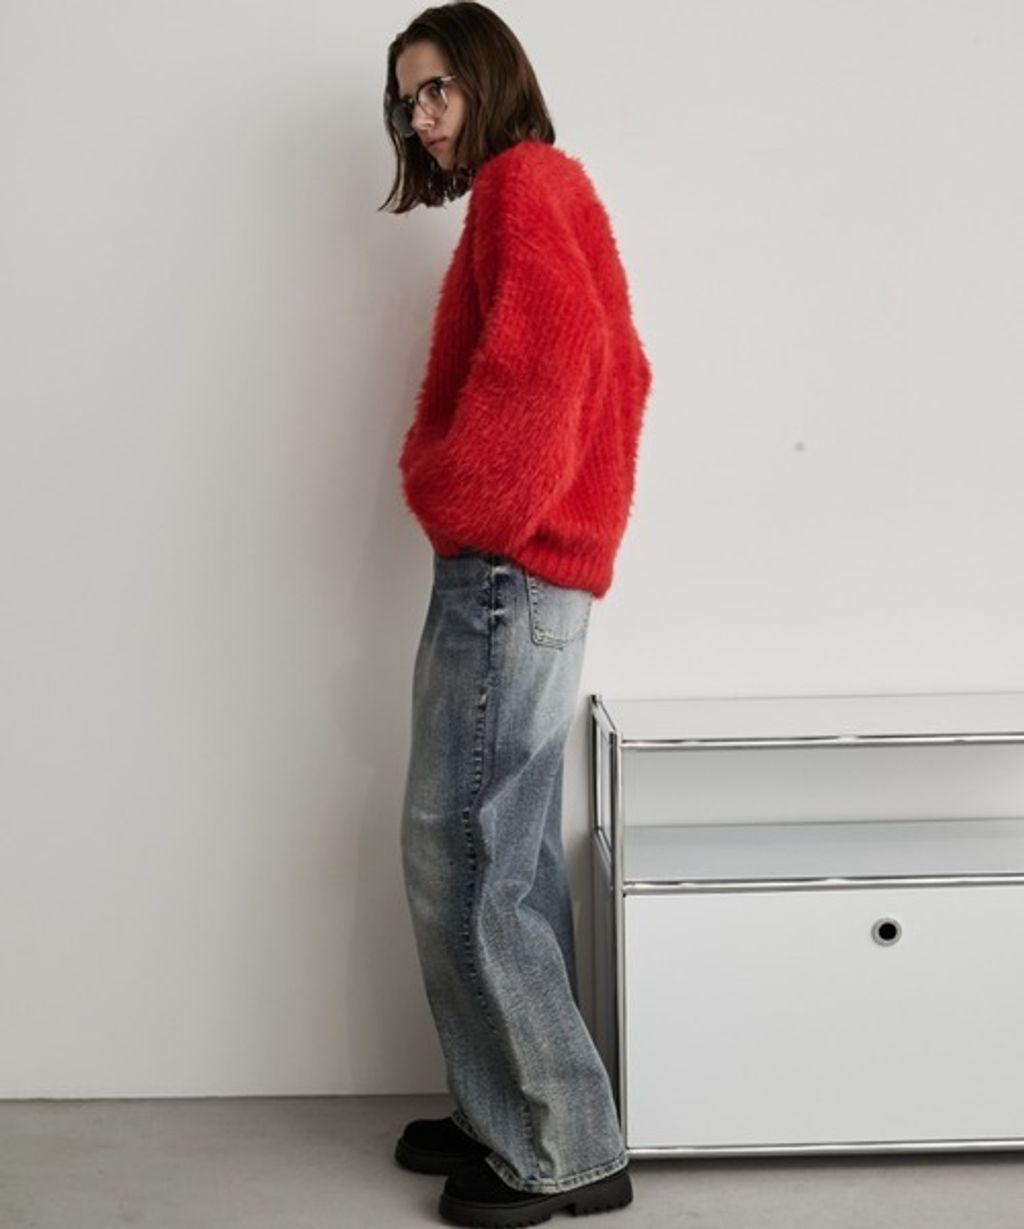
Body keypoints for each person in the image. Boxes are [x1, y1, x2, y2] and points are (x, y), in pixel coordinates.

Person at [380, 4, 653, 1225]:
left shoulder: (521, 183)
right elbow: (623, 366)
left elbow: (559, 363)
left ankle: (560, 1148)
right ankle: (509, 1105)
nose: (421, 117)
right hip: (536, 572)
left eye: (436, 88)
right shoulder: (545, 186)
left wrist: (467, 498)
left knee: (466, 853)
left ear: (489, 78)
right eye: (407, 101)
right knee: (508, 853)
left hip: (507, 569)